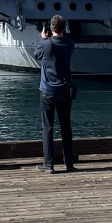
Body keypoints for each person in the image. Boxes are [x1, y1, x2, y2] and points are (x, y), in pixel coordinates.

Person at [33, 14, 76, 173]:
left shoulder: (46, 44)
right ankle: (69, 163)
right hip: (65, 91)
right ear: (64, 28)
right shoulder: (70, 44)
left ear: (51, 28)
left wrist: (44, 39)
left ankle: (49, 164)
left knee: (48, 128)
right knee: (66, 127)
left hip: (48, 91)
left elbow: (36, 56)